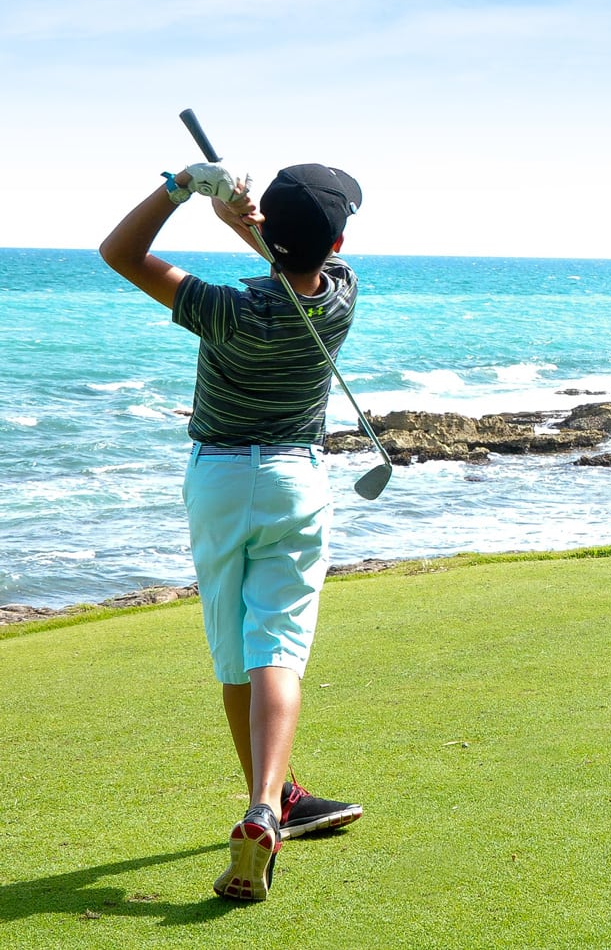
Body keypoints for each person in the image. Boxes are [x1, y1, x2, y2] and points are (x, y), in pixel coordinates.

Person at [100, 157, 368, 902]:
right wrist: (253, 228)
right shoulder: (342, 297)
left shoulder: (221, 308)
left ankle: (273, 798)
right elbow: (304, 267)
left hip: (218, 480)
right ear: (338, 242)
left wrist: (183, 189)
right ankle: (267, 803)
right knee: (276, 648)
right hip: (294, 480)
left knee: (232, 650)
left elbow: (119, 254)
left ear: (269, 234)